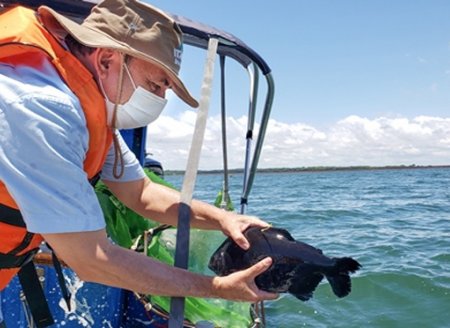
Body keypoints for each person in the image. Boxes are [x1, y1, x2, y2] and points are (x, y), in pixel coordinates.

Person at [0, 0, 278, 326]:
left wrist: (224, 219)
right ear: (106, 59)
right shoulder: (41, 108)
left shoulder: (91, 105)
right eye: (155, 85)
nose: (160, 100)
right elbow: (92, 258)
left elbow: (141, 192)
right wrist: (216, 288)